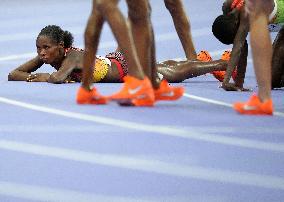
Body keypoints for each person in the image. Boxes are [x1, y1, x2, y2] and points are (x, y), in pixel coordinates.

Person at [8, 25, 228, 84]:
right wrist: (35, 67)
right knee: (161, 67)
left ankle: (223, 64)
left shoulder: (72, 58)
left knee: (172, 74)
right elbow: (12, 74)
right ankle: (203, 61)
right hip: (116, 60)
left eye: (46, 48)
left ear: (61, 45)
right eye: (38, 48)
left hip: (124, 68)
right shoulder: (55, 55)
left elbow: (56, 78)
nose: (42, 53)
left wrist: (40, 75)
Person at [212, 0, 284, 91]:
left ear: (235, 24)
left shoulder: (247, 13)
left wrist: (225, 81)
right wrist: (239, 83)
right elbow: (242, 46)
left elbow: (237, 48)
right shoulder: (228, 8)